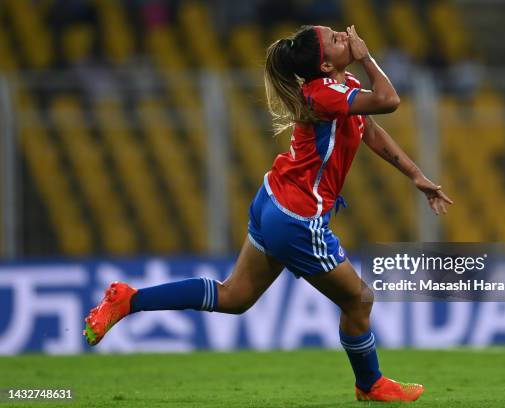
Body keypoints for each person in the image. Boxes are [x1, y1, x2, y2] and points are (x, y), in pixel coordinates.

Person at [84, 24, 452, 403]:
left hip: (273, 201)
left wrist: (416, 175)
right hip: (297, 217)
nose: (345, 36)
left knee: (234, 297)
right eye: (336, 40)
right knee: (359, 300)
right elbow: (389, 101)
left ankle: (128, 300)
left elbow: (369, 129)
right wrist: (367, 54)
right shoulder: (323, 94)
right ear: (325, 65)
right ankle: (370, 384)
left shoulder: (340, 87)